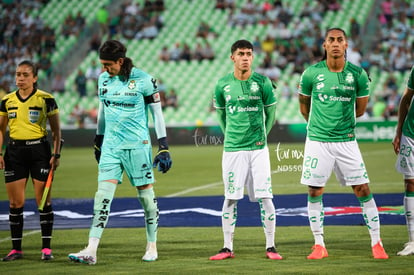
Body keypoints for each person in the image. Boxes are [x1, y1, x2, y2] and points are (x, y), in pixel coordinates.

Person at [68, 40, 172, 265]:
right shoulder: (103, 79)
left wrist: (163, 146)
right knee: (102, 196)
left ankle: (152, 245)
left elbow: (158, 115)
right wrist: (98, 139)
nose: (104, 69)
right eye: (102, 65)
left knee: (146, 198)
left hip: (137, 146)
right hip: (111, 147)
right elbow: (103, 111)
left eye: (108, 64)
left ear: (120, 61)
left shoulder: (144, 80)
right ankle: (92, 249)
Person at [298, 28, 388, 260]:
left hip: (346, 141)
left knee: (363, 189)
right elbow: (304, 107)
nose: (336, 43)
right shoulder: (310, 74)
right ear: (324, 45)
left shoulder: (358, 75)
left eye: (340, 40)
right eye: (331, 40)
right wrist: (320, 127)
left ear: (346, 45)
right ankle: (319, 244)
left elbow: (360, 110)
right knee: (315, 190)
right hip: (318, 141)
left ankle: (376, 243)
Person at [210, 39, 282, 261]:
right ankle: (227, 247)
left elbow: (271, 113)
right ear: (233, 57)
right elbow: (221, 115)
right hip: (233, 149)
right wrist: (229, 134)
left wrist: (263, 135)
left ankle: (271, 246)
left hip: (258, 148)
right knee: (231, 197)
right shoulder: (222, 84)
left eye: (249, 54)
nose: (245, 57)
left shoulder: (263, 82)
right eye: (241, 53)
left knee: (266, 197)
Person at [0, 60, 62, 261]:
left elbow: (56, 131)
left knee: (43, 202)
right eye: (18, 74)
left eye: (25, 75)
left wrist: (56, 154)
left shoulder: (47, 99)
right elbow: (1, 130)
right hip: (15, 153)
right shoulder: (6, 101)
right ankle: (16, 250)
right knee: (15, 203)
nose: (20, 78)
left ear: (35, 78)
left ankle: (46, 249)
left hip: (39, 153)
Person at [392, 65, 414, 256]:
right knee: (410, 184)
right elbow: (406, 98)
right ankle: (413, 240)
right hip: (411, 134)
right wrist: (399, 130)